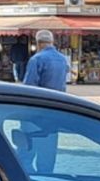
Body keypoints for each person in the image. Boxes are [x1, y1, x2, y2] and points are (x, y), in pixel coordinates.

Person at [20, 30, 70, 173]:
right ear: (52, 42)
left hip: (35, 113)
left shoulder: (37, 59)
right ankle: (47, 178)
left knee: (27, 150)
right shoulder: (62, 59)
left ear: (38, 43)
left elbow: (29, 88)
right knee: (48, 153)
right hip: (54, 111)